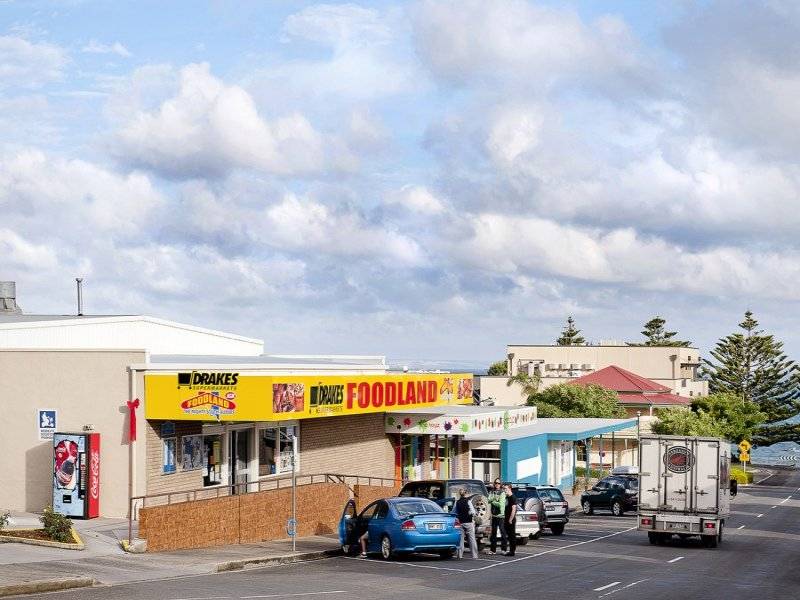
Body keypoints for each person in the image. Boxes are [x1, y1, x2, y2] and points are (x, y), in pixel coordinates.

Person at [453, 488, 478, 559]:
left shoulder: (457, 502)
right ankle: (474, 555)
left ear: (459, 494)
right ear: (466, 494)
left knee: (461, 540)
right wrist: (469, 514)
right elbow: (473, 512)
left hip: (461, 522)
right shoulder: (468, 501)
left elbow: (454, 512)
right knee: (472, 539)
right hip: (468, 522)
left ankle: (460, 555)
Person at [487, 478, 507, 554]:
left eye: (498, 483)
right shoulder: (492, 491)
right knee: (493, 533)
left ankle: (504, 550)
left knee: (502, 532)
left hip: (501, 515)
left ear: (500, 484)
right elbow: (488, 500)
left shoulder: (502, 493)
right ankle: (493, 550)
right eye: (496, 483)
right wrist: (494, 500)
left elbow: (500, 504)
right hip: (494, 515)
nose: (497, 484)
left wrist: (493, 501)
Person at [503, 483, 518, 557]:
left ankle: (512, 551)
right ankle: (509, 550)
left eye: (505, 489)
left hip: (510, 519)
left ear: (509, 489)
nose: (504, 490)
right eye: (504, 489)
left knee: (512, 536)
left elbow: (513, 509)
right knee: (508, 535)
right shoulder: (507, 497)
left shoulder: (513, 497)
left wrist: (510, 519)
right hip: (506, 518)